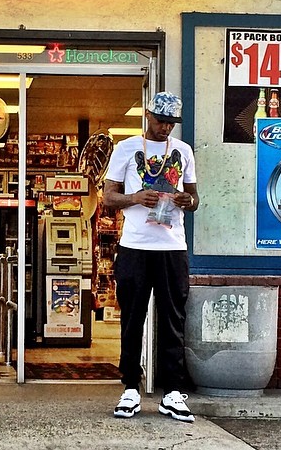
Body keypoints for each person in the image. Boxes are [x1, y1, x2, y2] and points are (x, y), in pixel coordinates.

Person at [103, 92, 199, 423]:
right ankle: (130, 386)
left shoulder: (183, 151)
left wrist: (187, 200)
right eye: (160, 120)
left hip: (172, 247)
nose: (165, 127)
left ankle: (172, 392)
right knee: (132, 318)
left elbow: (195, 197)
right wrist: (135, 197)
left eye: (170, 122)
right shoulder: (127, 148)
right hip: (135, 247)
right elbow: (108, 198)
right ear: (147, 115)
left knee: (174, 320)